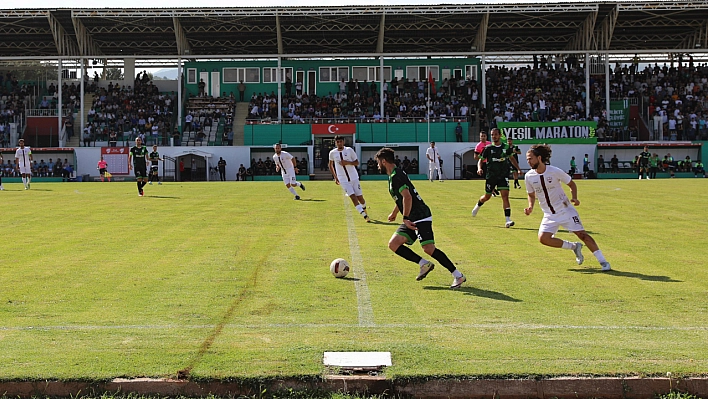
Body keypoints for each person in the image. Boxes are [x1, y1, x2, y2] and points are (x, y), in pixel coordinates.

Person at [375, 147, 466, 289]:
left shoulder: (396, 175)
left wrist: (404, 217)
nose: (377, 165)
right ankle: (424, 264)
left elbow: (408, 197)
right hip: (411, 216)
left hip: (420, 215)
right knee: (394, 244)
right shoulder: (394, 174)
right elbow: (402, 198)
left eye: (378, 162)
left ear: (384, 161)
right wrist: (394, 213)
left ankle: (458, 275)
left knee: (429, 248)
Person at [523, 144, 611, 271]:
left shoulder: (554, 171)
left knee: (583, 235)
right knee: (543, 238)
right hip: (549, 214)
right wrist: (530, 206)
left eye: (530, 158)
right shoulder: (529, 176)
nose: (528, 161)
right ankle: (574, 247)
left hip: (565, 210)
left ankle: (603, 262)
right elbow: (531, 194)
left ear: (539, 158)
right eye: (527, 159)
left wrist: (574, 197)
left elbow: (571, 184)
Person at [472, 128, 521, 228]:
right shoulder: (488, 148)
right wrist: (479, 168)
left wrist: (518, 169)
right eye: (492, 135)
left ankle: (508, 220)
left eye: (495, 134)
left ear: (499, 135)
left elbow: (512, 158)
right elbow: (480, 160)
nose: (493, 136)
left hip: (503, 175)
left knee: (505, 197)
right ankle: (477, 206)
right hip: (491, 176)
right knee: (487, 197)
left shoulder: (506, 147)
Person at [328, 135, 369, 222]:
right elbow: (330, 165)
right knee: (353, 197)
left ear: (344, 142)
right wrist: (335, 177)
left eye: (341, 141)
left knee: (360, 198)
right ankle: (365, 216)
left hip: (354, 177)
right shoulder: (332, 153)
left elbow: (357, 162)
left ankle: (364, 208)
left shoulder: (349, 150)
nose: (339, 143)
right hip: (343, 179)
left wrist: (347, 162)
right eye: (337, 142)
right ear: (335, 143)